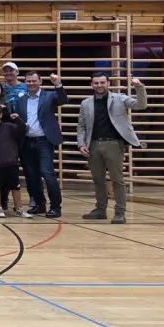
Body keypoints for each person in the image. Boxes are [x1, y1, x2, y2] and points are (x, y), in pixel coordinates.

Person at [76, 73, 147, 224]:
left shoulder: (120, 98)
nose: (99, 85)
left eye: (102, 82)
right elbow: (81, 126)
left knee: (117, 180)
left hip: (114, 144)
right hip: (93, 145)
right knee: (98, 180)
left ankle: (120, 212)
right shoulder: (85, 103)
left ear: (108, 83)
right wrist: (81, 144)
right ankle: (100, 210)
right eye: (96, 83)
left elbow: (141, 105)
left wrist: (139, 87)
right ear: (91, 84)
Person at [14, 71, 67, 218]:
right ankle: (39, 204)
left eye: (33, 81)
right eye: (28, 81)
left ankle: (56, 207)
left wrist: (58, 85)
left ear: (40, 81)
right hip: (27, 141)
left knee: (48, 174)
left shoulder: (49, 96)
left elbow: (63, 100)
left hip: (44, 141)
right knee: (31, 176)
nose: (31, 84)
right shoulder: (21, 99)